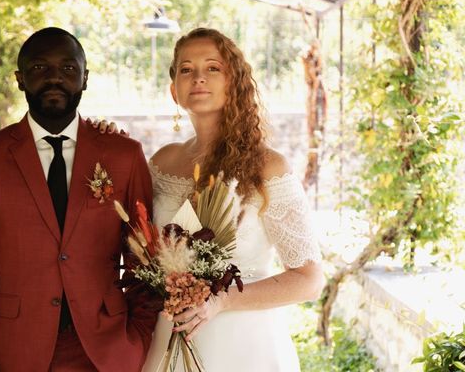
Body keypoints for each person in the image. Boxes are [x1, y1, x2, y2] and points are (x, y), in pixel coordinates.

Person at [95, 27, 324, 371]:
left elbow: (309, 279)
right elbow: (133, 234)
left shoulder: (268, 167)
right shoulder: (162, 162)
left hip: (245, 345)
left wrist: (221, 301)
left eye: (212, 68)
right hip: (168, 340)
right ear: (174, 91)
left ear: (234, 82)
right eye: (186, 69)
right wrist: (107, 146)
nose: (198, 77)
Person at [0, 27, 156, 372]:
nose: (54, 78)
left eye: (68, 69)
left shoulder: (124, 155)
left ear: (85, 78)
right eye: (39, 68)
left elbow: (145, 261)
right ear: (19, 79)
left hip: (108, 351)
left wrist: (138, 341)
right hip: (17, 352)